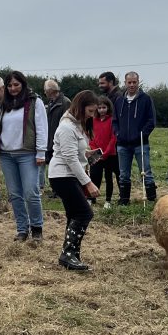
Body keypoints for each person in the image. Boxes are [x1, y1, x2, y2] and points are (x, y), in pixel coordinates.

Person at [0, 71, 48, 244]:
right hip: (7, 155)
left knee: (31, 192)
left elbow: (42, 127)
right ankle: (22, 229)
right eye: (10, 85)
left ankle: (37, 229)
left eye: (16, 84)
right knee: (15, 194)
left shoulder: (35, 102)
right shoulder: (4, 104)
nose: (13, 88)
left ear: (23, 84)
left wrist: (41, 152)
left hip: (27, 154)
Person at [49, 90, 100, 271]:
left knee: (74, 214)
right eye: (90, 111)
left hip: (68, 175)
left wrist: (87, 154)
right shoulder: (67, 127)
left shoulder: (76, 125)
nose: (92, 115)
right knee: (84, 213)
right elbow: (69, 159)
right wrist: (88, 182)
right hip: (62, 175)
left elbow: (73, 154)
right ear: (80, 107)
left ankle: (71, 254)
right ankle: (68, 253)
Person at [112, 71, 157, 204]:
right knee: (123, 174)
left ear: (138, 82)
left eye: (134, 82)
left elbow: (151, 120)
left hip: (140, 143)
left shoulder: (146, 99)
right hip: (122, 144)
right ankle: (124, 199)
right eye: (129, 82)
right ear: (125, 83)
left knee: (146, 172)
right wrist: (117, 133)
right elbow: (114, 120)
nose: (132, 85)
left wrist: (141, 134)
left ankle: (151, 200)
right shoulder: (119, 100)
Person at [42, 80, 70, 198]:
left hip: (60, 139)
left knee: (60, 166)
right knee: (53, 166)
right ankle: (56, 190)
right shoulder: (52, 102)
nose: (44, 92)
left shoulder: (65, 103)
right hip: (50, 138)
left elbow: (67, 121)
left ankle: (61, 191)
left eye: (45, 90)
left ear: (50, 91)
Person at [88, 96, 117, 209]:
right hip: (96, 153)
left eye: (104, 107)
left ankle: (108, 200)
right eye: (99, 108)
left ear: (108, 107)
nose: (101, 110)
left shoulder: (112, 120)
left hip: (110, 154)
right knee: (94, 176)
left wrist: (105, 153)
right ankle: (91, 198)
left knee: (109, 177)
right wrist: (96, 150)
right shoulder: (93, 120)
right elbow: (91, 137)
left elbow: (113, 138)